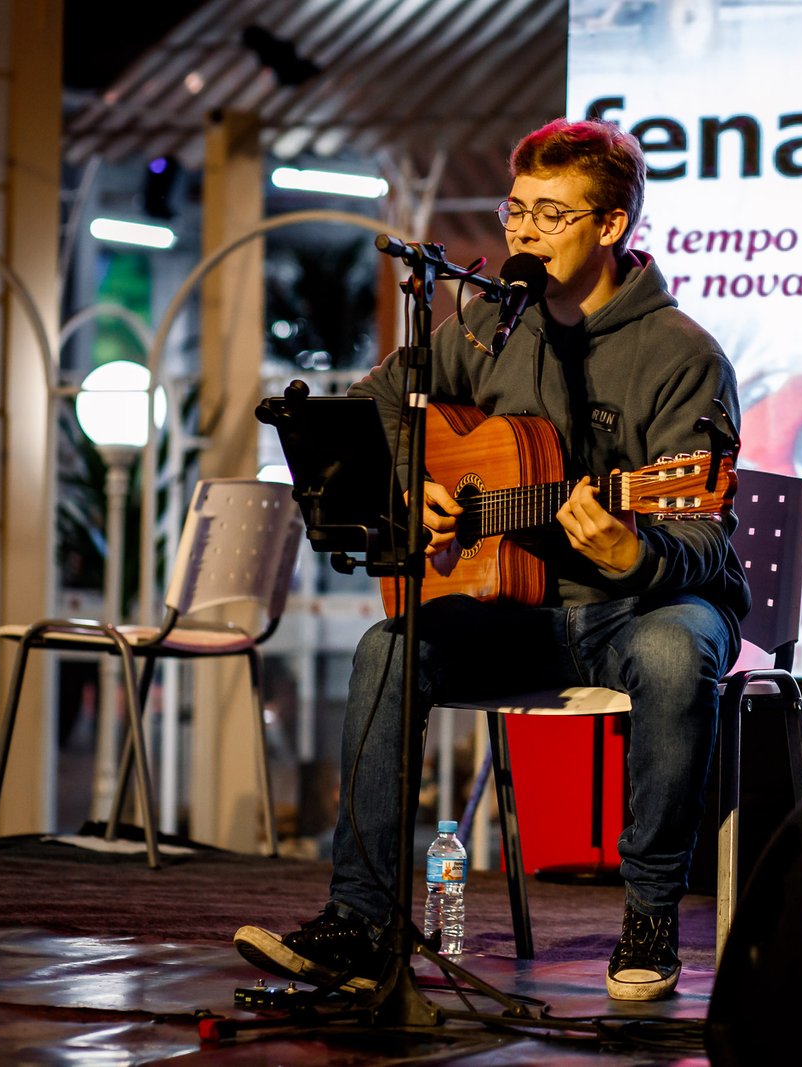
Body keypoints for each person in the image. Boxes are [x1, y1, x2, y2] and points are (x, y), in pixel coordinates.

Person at [234, 118, 749, 1001]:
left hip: (642, 605)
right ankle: (361, 919)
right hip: (522, 612)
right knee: (387, 648)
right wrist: (414, 485)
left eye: (551, 215)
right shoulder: (486, 329)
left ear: (612, 225)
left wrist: (635, 549)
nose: (523, 233)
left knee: (675, 647)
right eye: (517, 210)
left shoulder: (681, 354)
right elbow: (378, 406)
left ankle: (652, 914)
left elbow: (702, 532)